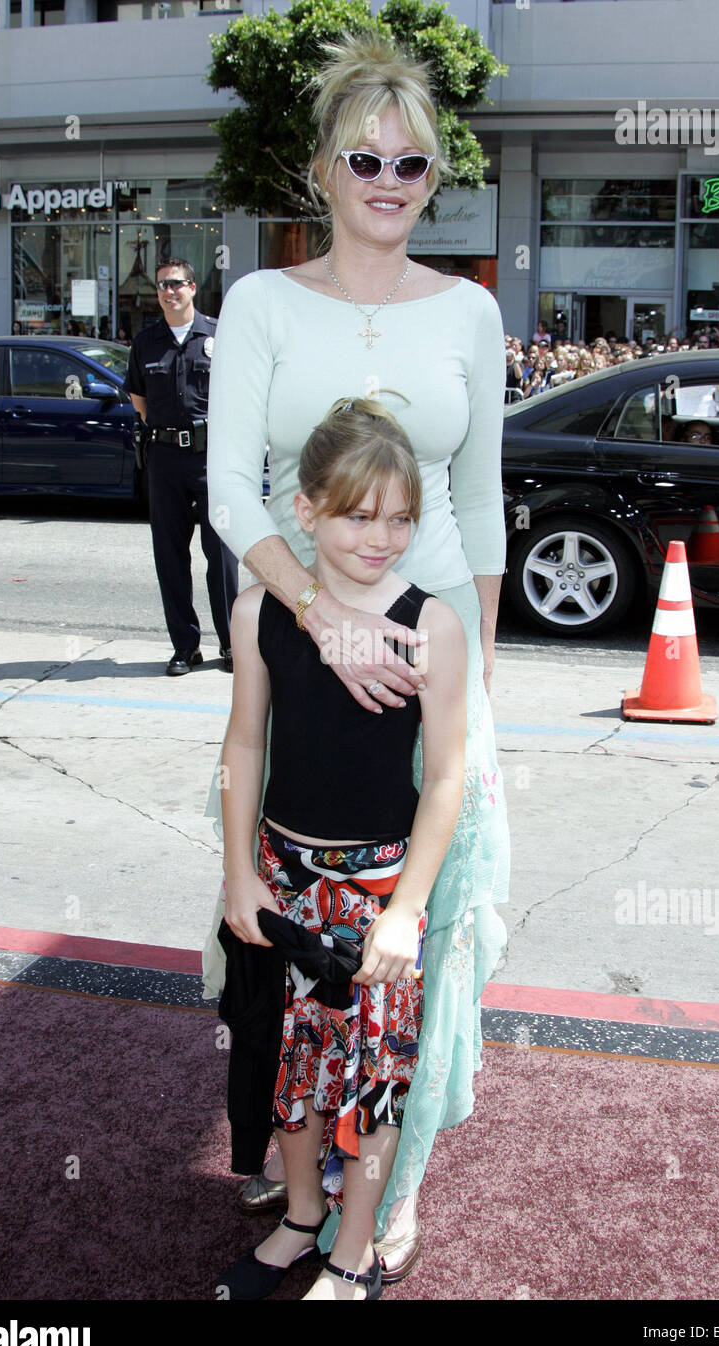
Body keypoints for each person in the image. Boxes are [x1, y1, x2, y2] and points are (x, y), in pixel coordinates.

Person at [204, 29, 509, 1281]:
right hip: (293, 613)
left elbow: (481, 502)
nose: (389, 179)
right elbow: (231, 490)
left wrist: (475, 686)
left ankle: (387, 1186)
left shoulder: (474, 310)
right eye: (364, 157)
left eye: (414, 163)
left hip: (426, 641)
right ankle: (291, 1174)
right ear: (321, 169)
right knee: (283, 904)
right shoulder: (260, 302)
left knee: (422, 928)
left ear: (435, 179)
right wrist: (317, 615)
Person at [216, 396, 466, 1300]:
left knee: (374, 1072)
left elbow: (444, 778)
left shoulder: (431, 624)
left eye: (400, 518)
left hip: (379, 887)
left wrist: (405, 908)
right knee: (291, 1053)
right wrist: (240, 873)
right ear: (306, 509)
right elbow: (245, 744)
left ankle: (354, 1244)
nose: (381, 536)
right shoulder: (258, 613)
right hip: (283, 876)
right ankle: (299, 1215)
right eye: (359, 514)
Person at [125, 259, 238, 676]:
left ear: (192, 287)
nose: (169, 292)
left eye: (176, 284)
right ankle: (185, 647)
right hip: (165, 458)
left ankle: (230, 643)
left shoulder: (218, 335)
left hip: (212, 458)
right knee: (170, 556)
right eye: (161, 286)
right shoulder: (146, 342)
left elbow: (239, 392)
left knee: (221, 554)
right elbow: (139, 400)